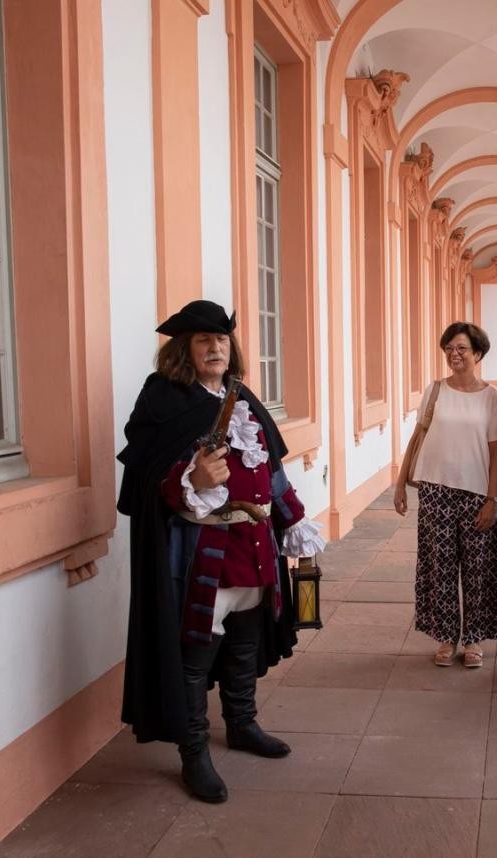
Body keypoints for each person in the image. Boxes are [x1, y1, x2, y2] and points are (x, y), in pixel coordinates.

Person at [116, 299, 325, 804]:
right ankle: (194, 754)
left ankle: (242, 724)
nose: (216, 347)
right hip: (199, 556)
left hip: (252, 549)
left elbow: (270, 471)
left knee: (244, 645)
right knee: (194, 657)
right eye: (205, 340)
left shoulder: (242, 397)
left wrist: (293, 518)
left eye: (223, 340)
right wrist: (188, 480)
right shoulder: (163, 398)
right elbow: (147, 476)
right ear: (184, 348)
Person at [393, 321, 497, 668]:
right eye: (449, 348)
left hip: (475, 494)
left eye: (461, 348)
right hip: (435, 490)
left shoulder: (492, 398)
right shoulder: (436, 390)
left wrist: (492, 500)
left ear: (478, 353)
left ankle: (472, 640)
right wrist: (401, 484)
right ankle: (446, 637)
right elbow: (417, 437)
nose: (453, 354)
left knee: (477, 568)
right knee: (438, 567)